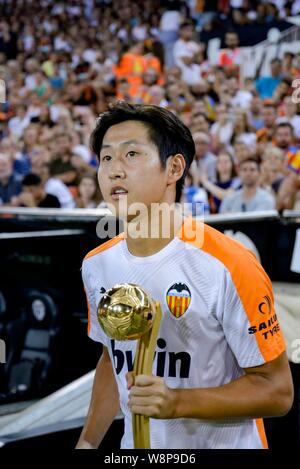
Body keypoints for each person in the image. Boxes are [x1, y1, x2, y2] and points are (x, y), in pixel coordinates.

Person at [76, 103, 293, 450]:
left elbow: (278, 390)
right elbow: (111, 358)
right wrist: (87, 441)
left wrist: (177, 403)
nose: (114, 171)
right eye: (105, 158)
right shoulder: (96, 265)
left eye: (131, 154)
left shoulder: (230, 263)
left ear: (174, 167)